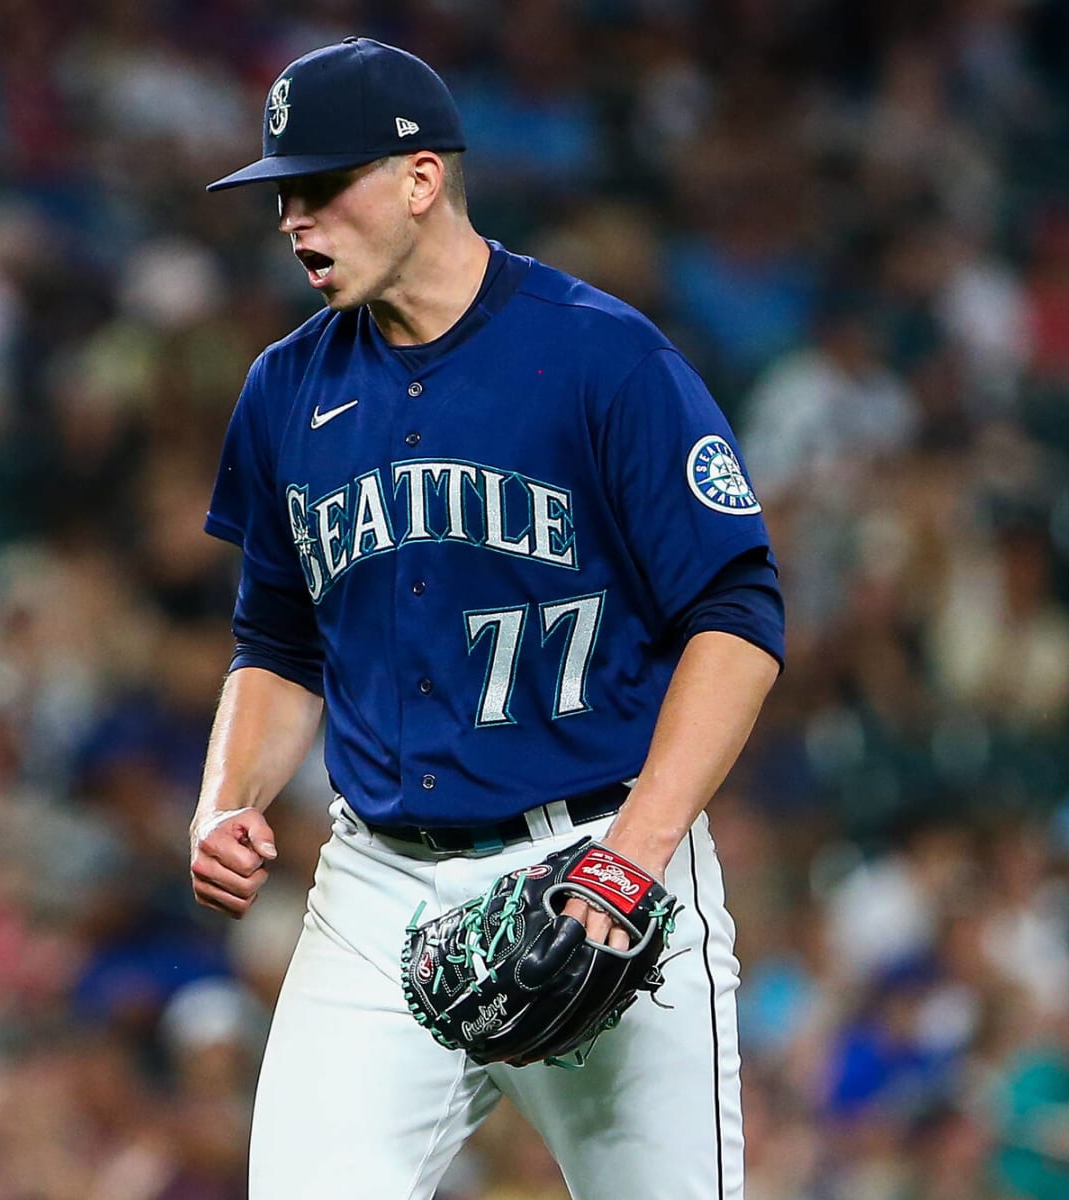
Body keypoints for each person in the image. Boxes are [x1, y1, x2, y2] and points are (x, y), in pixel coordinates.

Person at [187, 37, 784, 1199]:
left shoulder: (601, 357)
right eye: (281, 196)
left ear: (421, 179)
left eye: (323, 188)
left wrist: (633, 859)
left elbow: (736, 615)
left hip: (602, 863)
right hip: (377, 893)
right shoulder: (284, 390)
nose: (295, 221)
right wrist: (228, 799)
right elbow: (275, 647)